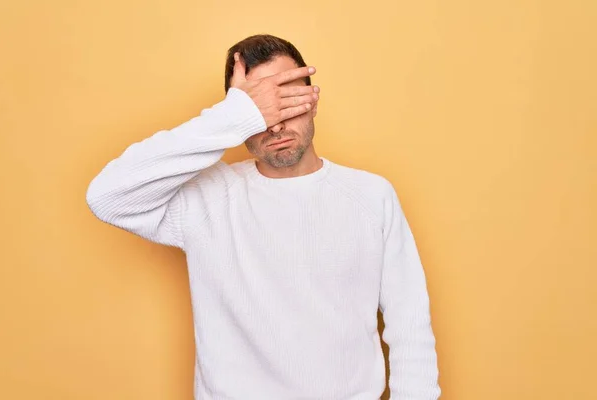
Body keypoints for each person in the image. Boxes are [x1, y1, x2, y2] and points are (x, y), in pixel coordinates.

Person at [86, 34, 441, 400]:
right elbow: (107, 196)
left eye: (287, 102)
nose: (275, 125)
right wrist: (235, 114)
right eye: (262, 110)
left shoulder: (370, 196)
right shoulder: (207, 199)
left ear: (312, 100)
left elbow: (409, 327)